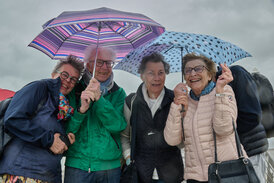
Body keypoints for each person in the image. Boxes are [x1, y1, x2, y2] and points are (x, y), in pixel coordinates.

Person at [164, 53, 247, 183]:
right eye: (188, 70)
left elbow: (224, 129)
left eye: (198, 68)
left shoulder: (225, 91)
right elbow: (172, 140)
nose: (192, 73)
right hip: (195, 177)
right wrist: (176, 105)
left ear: (209, 74)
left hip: (227, 173)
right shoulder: (184, 101)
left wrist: (219, 93)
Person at [0, 55, 84, 183]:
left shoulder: (64, 108)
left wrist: (64, 140)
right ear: (53, 74)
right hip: (21, 173)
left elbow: (52, 139)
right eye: (64, 75)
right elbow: (13, 119)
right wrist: (49, 140)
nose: (68, 81)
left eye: (73, 79)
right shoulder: (39, 88)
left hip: (47, 176)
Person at [64, 46, 127, 183]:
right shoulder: (73, 89)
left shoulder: (119, 93)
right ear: (88, 64)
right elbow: (67, 130)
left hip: (109, 167)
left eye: (109, 63)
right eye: (99, 62)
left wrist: (100, 100)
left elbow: (119, 125)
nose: (104, 67)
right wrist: (81, 111)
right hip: (77, 165)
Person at [121, 53, 184, 183]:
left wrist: (184, 110)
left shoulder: (175, 100)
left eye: (161, 72)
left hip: (171, 175)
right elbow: (125, 136)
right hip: (140, 174)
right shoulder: (131, 102)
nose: (157, 78)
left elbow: (182, 142)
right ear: (142, 76)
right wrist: (128, 157)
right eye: (151, 73)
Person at [217, 65, 269, 182]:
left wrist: (225, 128)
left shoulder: (236, 73)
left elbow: (252, 116)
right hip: (229, 156)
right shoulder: (210, 83)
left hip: (250, 151)